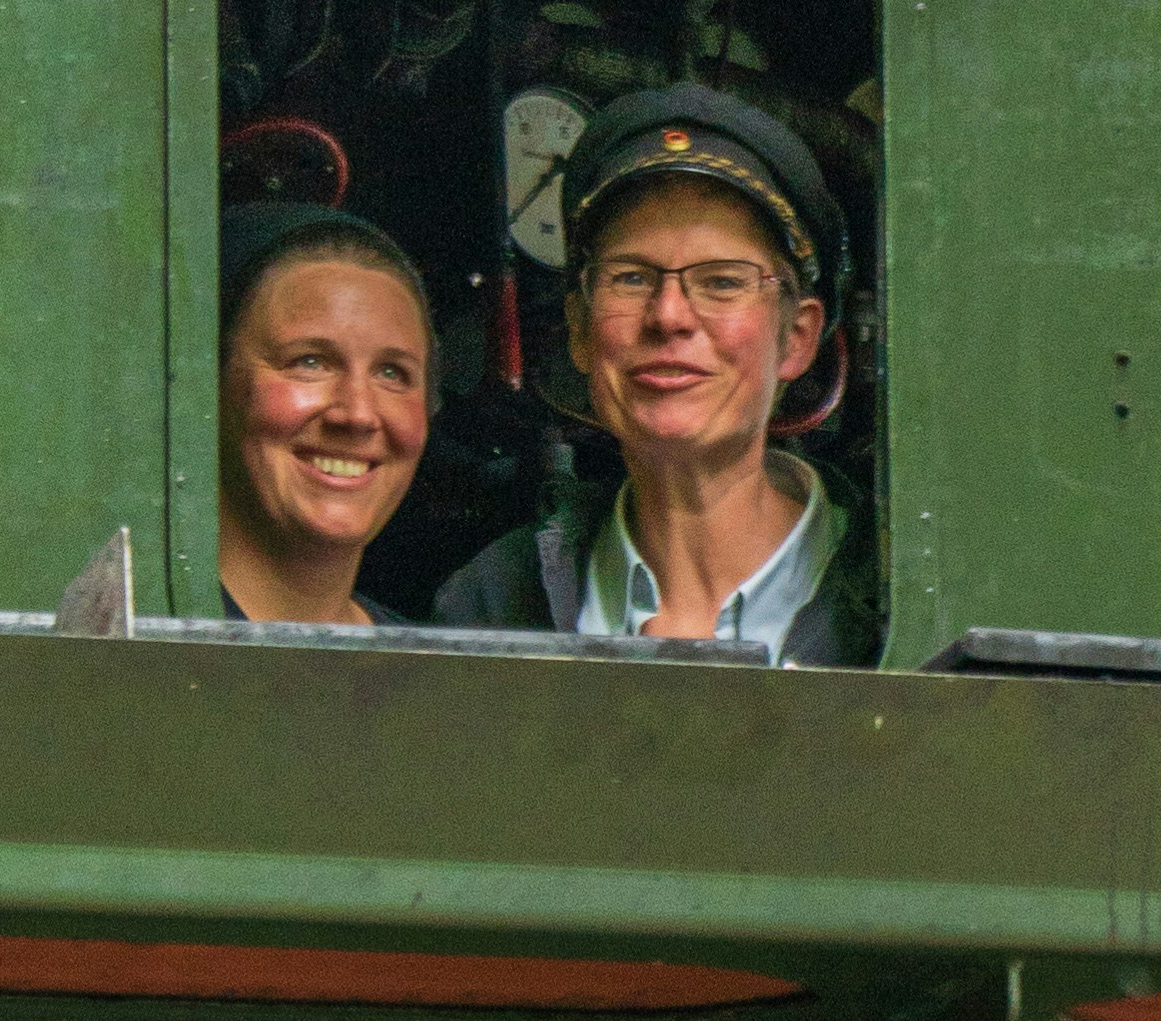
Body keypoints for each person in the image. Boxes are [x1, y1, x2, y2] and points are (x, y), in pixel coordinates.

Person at [438, 85, 869, 659]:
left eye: (722, 281)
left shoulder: (896, 593)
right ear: (580, 330)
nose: (668, 316)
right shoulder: (490, 607)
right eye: (632, 277)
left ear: (796, 337)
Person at [213, 209, 439, 631]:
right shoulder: (126, 654)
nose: (357, 414)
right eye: (310, 362)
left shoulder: (437, 680)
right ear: (211, 388)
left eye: (392, 373)